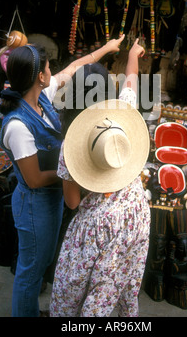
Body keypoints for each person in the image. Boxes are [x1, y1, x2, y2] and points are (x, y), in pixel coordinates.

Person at [0, 36, 124, 317]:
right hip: (35, 205)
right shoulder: (18, 125)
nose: (52, 72)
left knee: (40, 264)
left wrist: (106, 48)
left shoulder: (40, 94)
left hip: (51, 200)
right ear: (39, 77)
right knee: (30, 272)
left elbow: (75, 67)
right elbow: (34, 179)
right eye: (47, 68)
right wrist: (71, 170)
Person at [50, 38, 151, 317]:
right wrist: (132, 54)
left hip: (99, 225)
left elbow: (71, 203)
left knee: (81, 297)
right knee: (117, 287)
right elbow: (131, 79)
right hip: (135, 213)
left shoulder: (69, 148)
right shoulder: (124, 111)